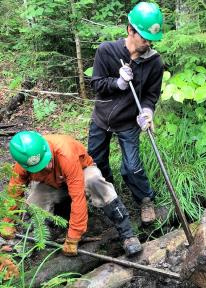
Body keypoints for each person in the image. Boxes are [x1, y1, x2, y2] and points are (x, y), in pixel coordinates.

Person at [1, 131, 142, 263]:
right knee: (35, 199)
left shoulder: (64, 153)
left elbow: (78, 196)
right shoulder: (22, 165)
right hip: (54, 183)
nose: (47, 166)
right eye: (40, 166)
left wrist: (73, 236)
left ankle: (127, 233)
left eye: (47, 160)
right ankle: (39, 236)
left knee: (95, 182)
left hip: (81, 173)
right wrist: (7, 222)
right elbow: (14, 193)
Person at [88, 2, 164, 225]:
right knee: (96, 162)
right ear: (130, 30)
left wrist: (148, 112)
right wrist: (119, 83)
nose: (148, 43)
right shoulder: (107, 51)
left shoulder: (154, 62)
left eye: (152, 40)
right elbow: (97, 84)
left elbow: (151, 95)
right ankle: (108, 199)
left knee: (132, 167)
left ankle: (145, 200)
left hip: (129, 121)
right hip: (102, 119)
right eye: (144, 38)